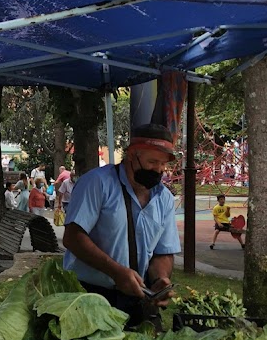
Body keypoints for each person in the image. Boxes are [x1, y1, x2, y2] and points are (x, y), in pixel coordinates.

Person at [62, 123, 180, 327]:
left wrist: (161, 278)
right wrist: (116, 272)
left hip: (139, 298)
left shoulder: (165, 199)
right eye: (153, 161)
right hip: (90, 296)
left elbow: (163, 252)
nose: (159, 170)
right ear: (132, 154)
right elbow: (73, 237)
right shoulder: (97, 183)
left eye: (163, 164)